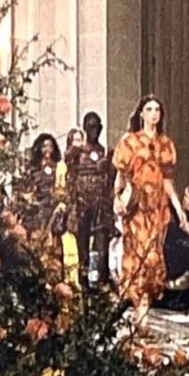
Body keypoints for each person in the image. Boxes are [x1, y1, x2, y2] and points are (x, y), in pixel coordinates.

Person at [111, 95, 188, 314]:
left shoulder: (165, 145)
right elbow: (121, 175)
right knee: (137, 253)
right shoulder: (130, 142)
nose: (153, 114)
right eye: (149, 109)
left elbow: (167, 180)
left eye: (157, 110)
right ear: (141, 113)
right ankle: (139, 306)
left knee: (153, 255)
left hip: (157, 207)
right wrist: (117, 197)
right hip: (136, 206)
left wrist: (178, 207)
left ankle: (144, 304)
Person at [64, 113, 115, 288]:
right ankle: (84, 287)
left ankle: (103, 286)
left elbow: (111, 181)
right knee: (83, 252)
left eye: (97, 126)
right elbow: (69, 178)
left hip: (101, 207)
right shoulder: (77, 153)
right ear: (85, 129)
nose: (95, 130)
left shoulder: (107, 153)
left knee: (102, 251)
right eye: (91, 126)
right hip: (82, 206)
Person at [11, 134, 67, 279]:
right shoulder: (33, 170)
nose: (47, 149)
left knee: (55, 249)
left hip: (55, 213)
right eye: (44, 146)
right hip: (38, 214)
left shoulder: (59, 168)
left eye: (50, 146)